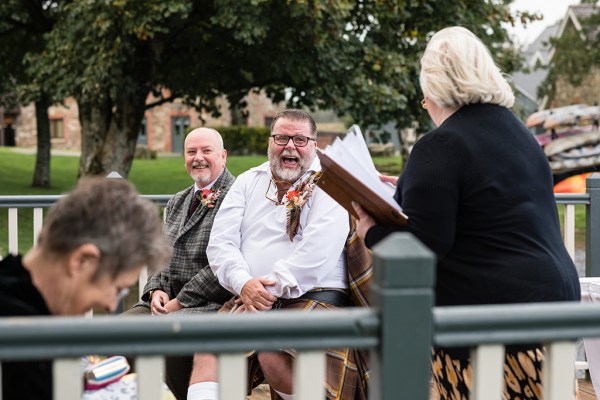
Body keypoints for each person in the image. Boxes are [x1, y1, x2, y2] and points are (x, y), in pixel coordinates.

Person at [353, 26, 581, 399]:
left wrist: (370, 232)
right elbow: (484, 199)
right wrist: (409, 189)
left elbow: (425, 244)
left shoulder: (442, 143)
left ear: (432, 86)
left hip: (492, 323)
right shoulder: (516, 132)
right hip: (551, 306)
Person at [187, 109, 366, 400]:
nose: (290, 146)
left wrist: (266, 289)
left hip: (315, 296)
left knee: (271, 350)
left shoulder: (330, 184)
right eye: (282, 138)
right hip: (251, 294)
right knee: (208, 349)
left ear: (314, 144)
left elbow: (317, 254)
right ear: (270, 142)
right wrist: (244, 283)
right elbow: (220, 243)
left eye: (300, 139)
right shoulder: (248, 182)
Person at [0, 177, 171, 400]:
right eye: (118, 288)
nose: (111, 305)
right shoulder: (24, 344)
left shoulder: (28, 308)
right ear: (82, 260)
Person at [125, 127, 235, 399]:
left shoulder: (236, 196)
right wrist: (155, 291)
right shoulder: (177, 200)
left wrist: (179, 302)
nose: (198, 158)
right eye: (191, 152)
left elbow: (225, 263)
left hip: (210, 304)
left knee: (170, 338)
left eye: (206, 151)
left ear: (222, 156)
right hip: (165, 301)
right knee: (120, 331)